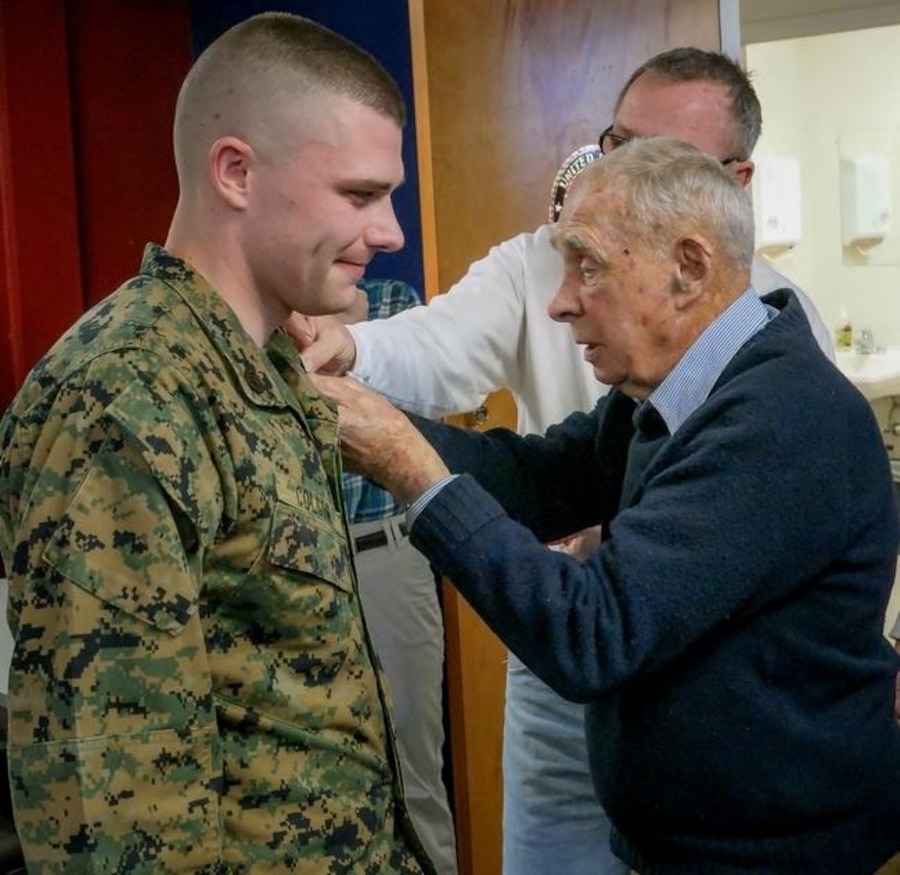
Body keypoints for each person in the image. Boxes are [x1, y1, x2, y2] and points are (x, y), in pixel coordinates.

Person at [290, 48, 836, 875]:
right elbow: (536, 468)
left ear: (704, 238)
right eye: (617, 144)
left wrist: (413, 470)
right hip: (584, 655)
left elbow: (607, 626)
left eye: (589, 271)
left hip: (711, 736)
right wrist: (354, 361)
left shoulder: (774, 389)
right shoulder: (651, 380)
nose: (560, 300)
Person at [0, 13, 434, 873]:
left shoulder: (265, 363)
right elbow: (112, 806)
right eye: (358, 195)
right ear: (235, 172)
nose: (391, 232)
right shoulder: (123, 396)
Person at [340, 279, 458, 874]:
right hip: (308, 561)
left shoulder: (394, 306)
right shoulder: (271, 320)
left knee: (414, 764)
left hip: (389, 554)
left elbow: (423, 429)